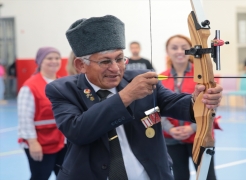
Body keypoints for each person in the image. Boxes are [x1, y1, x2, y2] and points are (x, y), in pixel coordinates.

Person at [45, 15, 223, 180]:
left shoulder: (141, 77)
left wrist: (199, 100)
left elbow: (174, 103)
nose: (115, 69)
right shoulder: (62, 90)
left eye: (120, 59)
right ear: (80, 65)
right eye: (105, 61)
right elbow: (78, 131)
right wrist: (126, 96)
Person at [160, 34, 219, 180]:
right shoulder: (160, 77)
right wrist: (170, 129)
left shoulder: (204, 76)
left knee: (207, 176)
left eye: (184, 48)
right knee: (179, 176)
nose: (179, 51)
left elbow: (211, 107)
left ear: (192, 50)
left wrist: (191, 128)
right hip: (171, 139)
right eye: (174, 48)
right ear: (167, 52)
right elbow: (157, 108)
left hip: (200, 137)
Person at [17, 47, 67, 180]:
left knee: (66, 176)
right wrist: (33, 143)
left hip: (62, 141)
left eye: (57, 58)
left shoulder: (63, 83)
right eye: (49, 58)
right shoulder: (30, 86)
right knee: (40, 176)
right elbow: (25, 118)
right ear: (40, 61)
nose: (54, 61)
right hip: (41, 143)